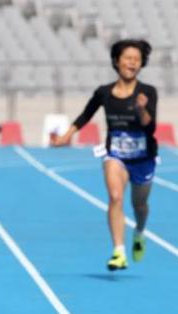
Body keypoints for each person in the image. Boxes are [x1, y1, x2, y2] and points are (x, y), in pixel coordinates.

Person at [52, 39, 157, 271]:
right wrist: (67, 134)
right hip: (115, 155)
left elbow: (151, 128)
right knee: (115, 197)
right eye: (128, 58)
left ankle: (139, 232)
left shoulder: (147, 92)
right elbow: (85, 115)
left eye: (137, 60)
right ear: (117, 61)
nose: (132, 63)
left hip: (143, 158)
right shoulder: (104, 93)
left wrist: (141, 109)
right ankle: (118, 251)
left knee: (139, 205)